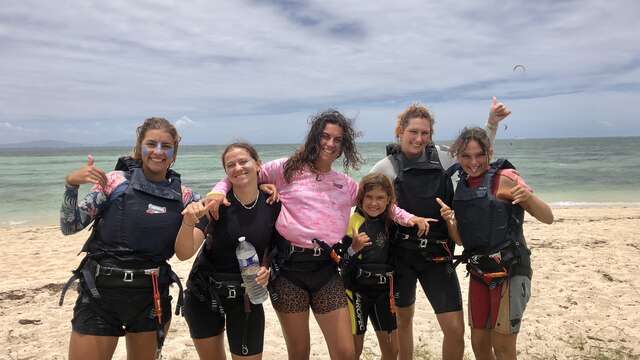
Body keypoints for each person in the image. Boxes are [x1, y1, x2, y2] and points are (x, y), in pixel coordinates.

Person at [205, 110, 431, 360]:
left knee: (345, 353)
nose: (330, 144)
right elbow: (241, 175)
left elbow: (378, 202)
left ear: (344, 146)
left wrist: (410, 218)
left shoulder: (345, 184)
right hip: (288, 271)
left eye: (338, 139)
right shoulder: (285, 169)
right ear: (315, 137)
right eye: (325, 136)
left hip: (326, 269)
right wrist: (217, 192)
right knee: (300, 352)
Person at [369, 97, 510, 360]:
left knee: (455, 330)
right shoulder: (385, 167)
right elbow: (365, 202)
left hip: (438, 256)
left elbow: (477, 153)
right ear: (400, 131)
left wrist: (491, 123)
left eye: (425, 133)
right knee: (403, 322)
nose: (419, 138)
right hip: (401, 258)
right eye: (413, 132)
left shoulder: (443, 157)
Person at [59, 117, 199, 360]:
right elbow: (69, 226)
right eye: (151, 144)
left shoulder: (185, 196)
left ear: (174, 153)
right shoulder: (114, 182)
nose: (158, 151)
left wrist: (263, 186)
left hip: (150, 297)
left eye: (166, 146)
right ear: (139, 147)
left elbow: (223, 203)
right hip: (100, 294)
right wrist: (71, 184)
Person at [440, 127, 553, 360]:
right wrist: (451, 223)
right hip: (480, 273)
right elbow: (462, 240)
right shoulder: (461, 186)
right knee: (479, 344)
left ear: (489, 152)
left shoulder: (506, 178)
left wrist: (529, 197)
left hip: (511, 270)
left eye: (479, 155)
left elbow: (548, 217)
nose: (473, 163)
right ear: (457, 156)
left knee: (502, 345)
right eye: (466, 156)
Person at [175, 142, 280, 359]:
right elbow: (184, 253)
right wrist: (187, 222)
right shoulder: (215, 204)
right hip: (204, 294)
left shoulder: (273, 204)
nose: (237, 167)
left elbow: (276, 247)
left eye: (243, 161)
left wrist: (266, 268)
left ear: (258, 165)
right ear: (225, 173)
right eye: (230, 165)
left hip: (246, 297)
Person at [339, 173, 399, 360]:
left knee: (392, 351)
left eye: (380, 198)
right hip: (356, 292)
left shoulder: (393, 223)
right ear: (361, 198)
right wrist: (353, 249)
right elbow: (342, 265)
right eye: (369, 197)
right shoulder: (353, 223)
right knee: (354, 351)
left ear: (388, 199)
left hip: (384, 292)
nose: (374, 203)